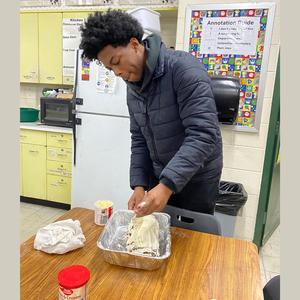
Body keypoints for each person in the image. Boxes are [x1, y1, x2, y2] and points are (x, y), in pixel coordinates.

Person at [79, 10, 223, 217]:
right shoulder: (132, 85)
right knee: (156, 234)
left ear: (135, 44)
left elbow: (203, 135)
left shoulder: (184, 70)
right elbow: (140, 138)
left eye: (117, 61)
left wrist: (166, 185)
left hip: (197, 179)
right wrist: (139, 184)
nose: (117, 73)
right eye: (110, 69)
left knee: (192, 241)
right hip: (160, 175)